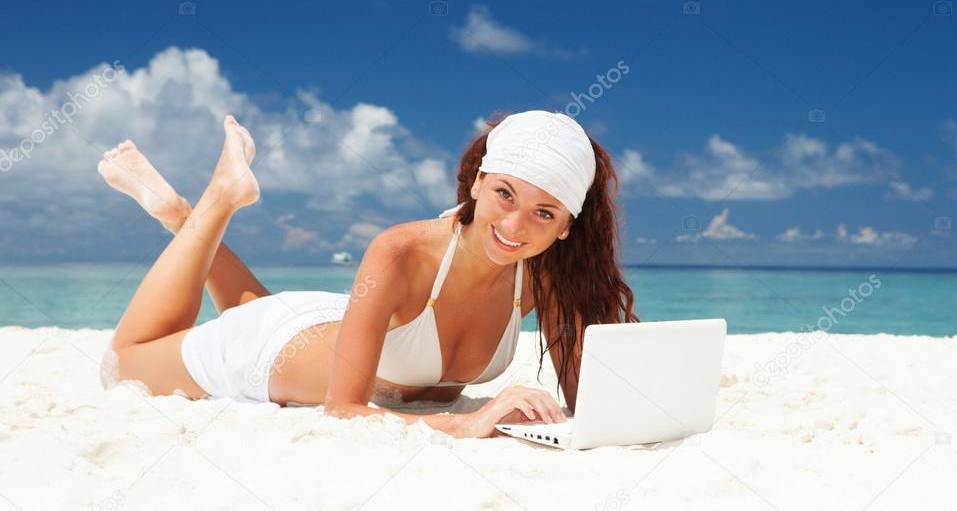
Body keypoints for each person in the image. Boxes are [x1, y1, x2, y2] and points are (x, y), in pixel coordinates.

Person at [98, 110, 639, 438]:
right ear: (477, 182)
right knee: (123, 364)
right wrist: (470, 422)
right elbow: (343, 410)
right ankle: (214, 201)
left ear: (567, 226)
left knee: (247, 305)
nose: (516, 226)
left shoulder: (547, 278)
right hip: (263, 350)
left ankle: (177, 214)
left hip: (333, 322)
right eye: (505, 194)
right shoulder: (401, 250)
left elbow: (586, 405)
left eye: (544, 213)